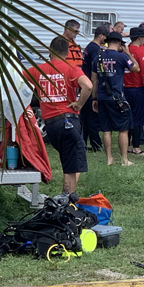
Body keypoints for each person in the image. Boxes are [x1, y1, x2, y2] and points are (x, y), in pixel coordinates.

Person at [23, 36, 92, 194]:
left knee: (71, 162)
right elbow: (88, 85)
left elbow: (19, 79)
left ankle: (65, 198)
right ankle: (66, 202)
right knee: (71, 167)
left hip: (50, 125)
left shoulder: (38, 70)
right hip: (68, 121)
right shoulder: (70, 69)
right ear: (67, 52)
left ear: (50, 50)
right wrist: (79, 104)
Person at [91, 31, 140, 165]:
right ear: (119, 43)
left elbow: (94, 80)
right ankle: (124, 159)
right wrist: (128, 53)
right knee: (123, 129)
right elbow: (136, 68)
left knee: (106, 129)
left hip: (102, 97)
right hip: (117, 97)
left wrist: (94, 98)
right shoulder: (121, 57)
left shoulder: (98, 57)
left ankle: (109, 159)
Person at [80, 25, 111, 151]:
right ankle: (96, 144)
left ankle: (83, 142)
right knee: (93, 116)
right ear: (101, 36)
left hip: (85, 84)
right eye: (106, 37)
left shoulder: (89, 47)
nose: (106, 40)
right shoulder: (95, 49)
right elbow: (96, 69)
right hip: (91, 85)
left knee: (86, 117)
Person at [124, 27, 144, 155]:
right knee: (138, 119)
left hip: (125, 88)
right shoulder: (141, 52)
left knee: (128, 117)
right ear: (139, 38)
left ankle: (128, 145)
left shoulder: (126, 50)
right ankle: (136, 146)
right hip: (137, 88)